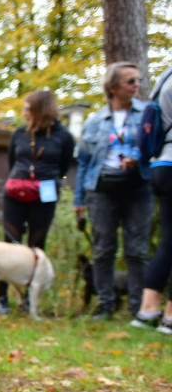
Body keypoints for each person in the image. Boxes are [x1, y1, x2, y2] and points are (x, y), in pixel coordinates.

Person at [74, 62, 153, 320]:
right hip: (102, 190)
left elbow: (155, 148)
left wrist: (137, 159)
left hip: (138, 189)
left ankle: (138, 308)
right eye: (130, 81)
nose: (137, 85)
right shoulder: (95, 120)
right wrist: (80, 200)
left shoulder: (147, 115)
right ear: (113, 86)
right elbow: (84, 163)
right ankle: (105, 305)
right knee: (103, 250)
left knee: (137, 250)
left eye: (138, 80)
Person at [0, 90, 75, 315]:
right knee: (9, 244)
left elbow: (63, 168)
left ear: (40, 110)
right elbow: (12, 161)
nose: (23, 113)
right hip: (16, 192)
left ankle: (30, 299)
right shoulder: (19, 133)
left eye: (27, 108)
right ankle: (2, 297)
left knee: (36, 247)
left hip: (46, 193)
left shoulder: (63, 137)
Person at [132, 65, 172, 333]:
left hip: (161, 165)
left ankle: (148, 310)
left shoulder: (167, 75)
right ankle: (170, 317)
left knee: (169, 240)